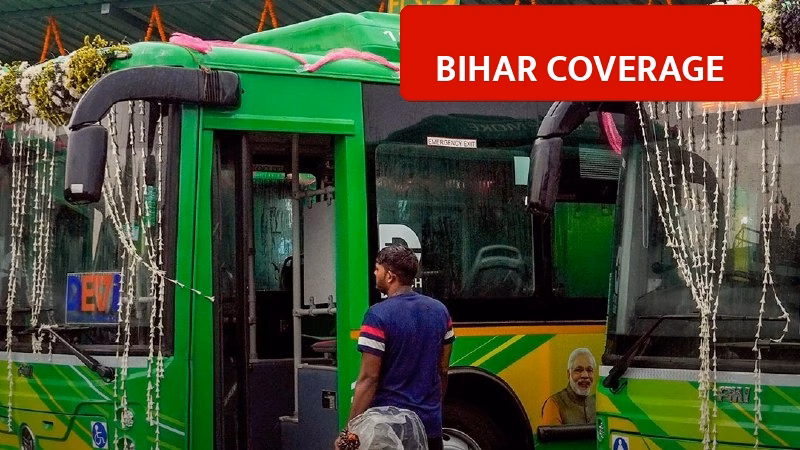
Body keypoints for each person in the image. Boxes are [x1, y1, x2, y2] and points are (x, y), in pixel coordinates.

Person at [336, 245, 455, 450]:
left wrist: (349, 433)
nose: (374, 273)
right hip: (429, 426)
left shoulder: (377, 315)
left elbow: (369, 378)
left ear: (390, 276)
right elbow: (443, 369)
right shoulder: (440, 311)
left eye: (377, 269)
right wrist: (433, 409)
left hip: (389, 432)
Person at [541, 347, 596, 426]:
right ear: (568, 374)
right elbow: (552, 433)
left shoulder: (598, 404)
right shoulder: (555, 403)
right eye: (578, 370)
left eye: (589, 370)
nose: (585, 375)